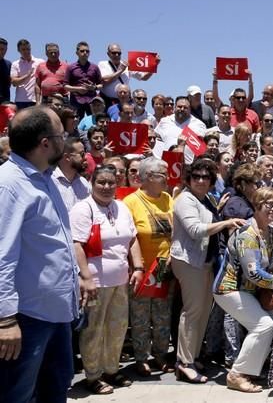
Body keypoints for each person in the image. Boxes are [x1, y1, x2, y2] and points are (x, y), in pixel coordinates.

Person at [0, 106, 80, 403]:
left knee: (54, 389)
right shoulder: (8, 185)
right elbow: (1, 256)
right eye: (62, 134)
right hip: (25, 319)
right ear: (45, 143)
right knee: (17, 395)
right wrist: (5, 320)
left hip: (56, 314)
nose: (67, 140)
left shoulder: (45, 179)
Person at [70, 164, 144, 394]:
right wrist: (86, 278)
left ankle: (111, 370)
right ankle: (93, 375)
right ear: (92, 183)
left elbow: (132, 239)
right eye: (101, 182)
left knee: (118, 327)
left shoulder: (122, 207)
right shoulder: (83, 209)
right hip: (95, 283)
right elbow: (77, 246)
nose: (106, 186)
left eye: (111, 182)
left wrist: (139, 267)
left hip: (120, 280)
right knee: (94, 329)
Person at [171, 159, 245, 383]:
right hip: (188, 261)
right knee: (192, 311)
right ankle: (183, 363)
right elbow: (195, 230)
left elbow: (209, 219)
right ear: (189, 179)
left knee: (203, 312)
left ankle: (192, 357)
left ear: (212, 181)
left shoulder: (207, 199)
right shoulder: (184, 199)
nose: (201, 180)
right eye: (196, 177)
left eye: (206, 177)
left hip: (205, 261)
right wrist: (226, 223)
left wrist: (221, 214)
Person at [214, 188, 273, 393]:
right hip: (229, 289)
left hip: (253, 291)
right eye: (268, 204)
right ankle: (237, 374)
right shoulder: (247, 234)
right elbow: (253, 273)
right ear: (257, 206)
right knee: (264, 325)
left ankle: (253, 370)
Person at [122, 158, 175, 376]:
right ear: (148, 177)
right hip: (141, 268)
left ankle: (161, 354)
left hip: (164, 266)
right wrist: (137, 266)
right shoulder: (130, 202)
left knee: (162, 314)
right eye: (163, 174)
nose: (168, 177)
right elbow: (128, 237)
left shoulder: (168, 198)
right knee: (141, 316)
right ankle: (141, 357)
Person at [63, 41, 103, 118]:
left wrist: (94, 87)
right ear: (77, 53)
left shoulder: (95, 67)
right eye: (82, 51)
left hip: (92, 102)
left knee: (94, 123)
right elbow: (65, 86)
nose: (85, 53)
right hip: (76, 101)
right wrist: (78, 89)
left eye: (87, 51)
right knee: (76, 123)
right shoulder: (71, 67)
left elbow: (101, 85)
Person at [54, 137, 91, 211]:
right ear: (67, 157)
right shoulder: (50, 182)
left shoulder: (84, 184)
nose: (86, 158)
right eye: (82, 154)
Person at [10, 39, 44, 109]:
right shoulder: (15, 64)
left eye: (28, 49)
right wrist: (27, 75)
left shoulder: (40, 62)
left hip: (37, 100)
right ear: (18, 50)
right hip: (21, 101)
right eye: (23, 49)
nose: (26, 51)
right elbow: (14, 83)